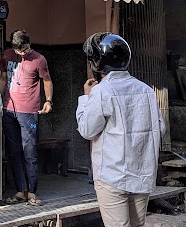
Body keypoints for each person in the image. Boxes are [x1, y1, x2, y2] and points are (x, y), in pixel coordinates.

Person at [77, 33, 163, 227]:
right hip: (141, 173)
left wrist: (85, 98)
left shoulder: (101, 91)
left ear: (98, 62)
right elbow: (160, 128)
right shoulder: (147, 90)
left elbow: (87, 130)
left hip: (112, 176)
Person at [0, 29, 53, 206]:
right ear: (13, 47)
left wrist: (48, 101)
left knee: (30, 151)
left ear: (30, 44)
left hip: (29, 111)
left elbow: (47, 80)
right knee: (13, 152)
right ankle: (20, 191)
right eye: (20, 50)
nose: (23, 53)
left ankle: (32, 193)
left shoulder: (39, 59)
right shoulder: (7, 55)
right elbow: (3, 78)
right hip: (8, 109)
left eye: (26, 49)